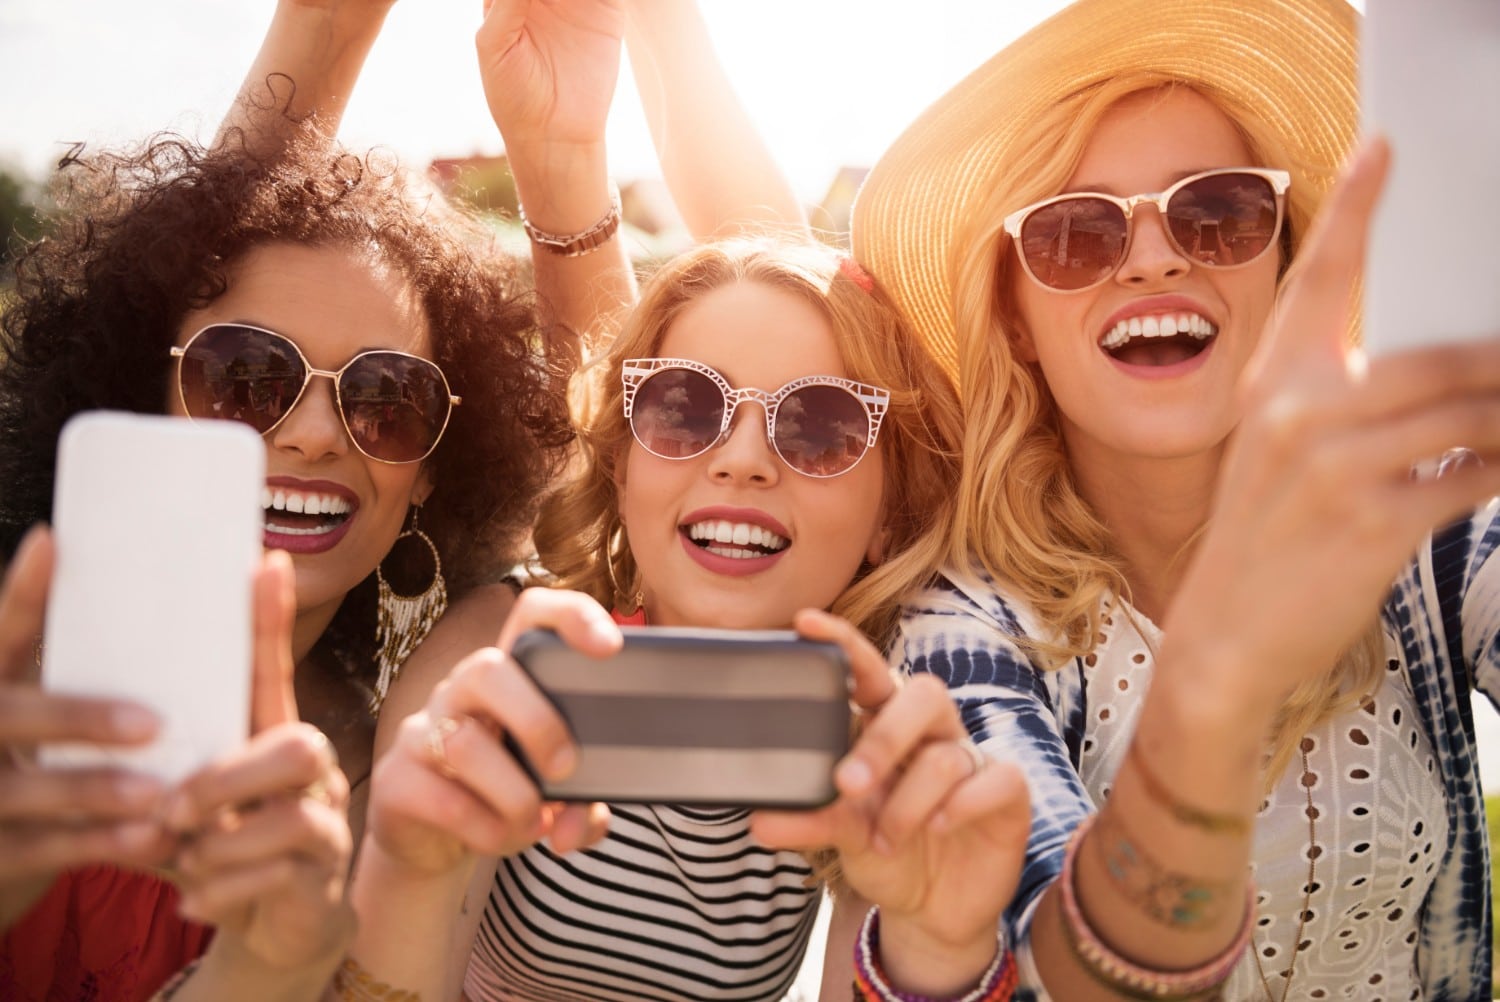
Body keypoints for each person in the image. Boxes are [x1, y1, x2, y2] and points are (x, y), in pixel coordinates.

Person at [831, 0, 1500, 998]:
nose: (1153, 258)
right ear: (1016, 321)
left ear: (1284, 266)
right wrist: (1219, 686)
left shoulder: (1424, 527)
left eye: (1219, 213)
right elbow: (1076, 979)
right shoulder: (965, 634)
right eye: (1073, 235)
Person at [0, 45, 575, 1002]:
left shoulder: (410, 775)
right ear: (147, 403)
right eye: (245, 377)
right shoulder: (18, 701)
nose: (315, 435)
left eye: (387, 398)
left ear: (431, 473)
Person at [342, 234, 1031, 1001]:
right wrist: (412, 874)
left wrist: (934, 950)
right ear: (622, 464)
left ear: (889, 512)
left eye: (819, 425)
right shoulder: (503, 651)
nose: (742, 458)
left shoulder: (876, 735)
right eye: (683, 406)